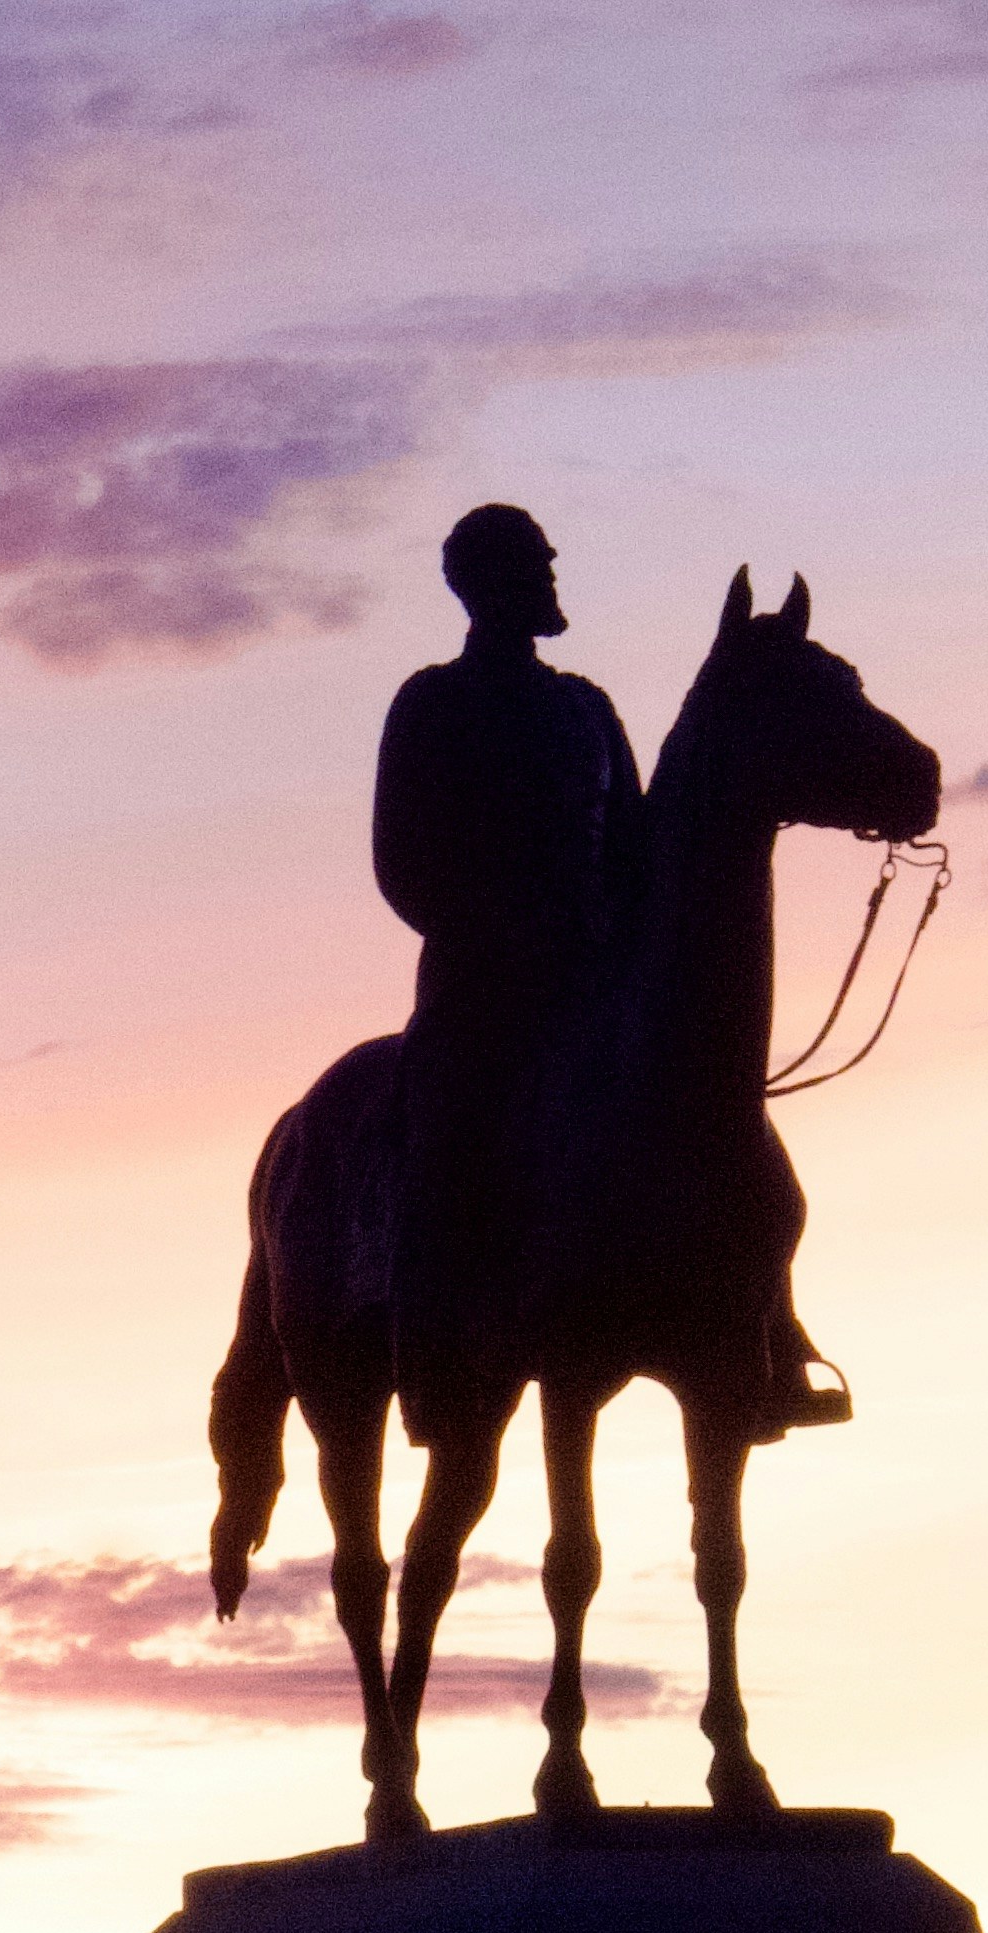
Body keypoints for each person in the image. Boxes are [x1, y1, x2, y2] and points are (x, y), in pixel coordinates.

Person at [362, 504, 639, 1426]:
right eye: (532, 564)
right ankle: (431, 1345)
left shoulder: (588, 708)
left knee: (707, 1111)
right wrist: (495, 939)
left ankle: (763, 1335)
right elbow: (400, 861)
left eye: (549, 561)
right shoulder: (433, 702)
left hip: (595, 982)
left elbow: (637, 850)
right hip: (482, 988)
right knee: (444, 1137)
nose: (551, 575)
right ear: (482, 584)